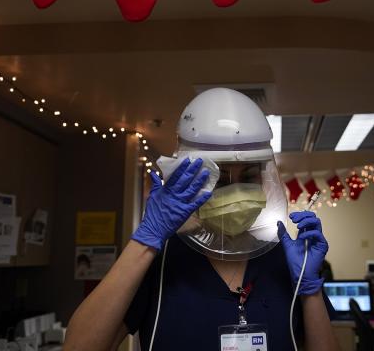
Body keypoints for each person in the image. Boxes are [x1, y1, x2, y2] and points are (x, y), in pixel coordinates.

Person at [64, 88, 340, 351]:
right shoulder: (158, 262)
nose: (236, 191)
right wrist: (144, 240)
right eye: (219, 178)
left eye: (248, 178)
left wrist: (310, 289)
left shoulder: (285, 262)